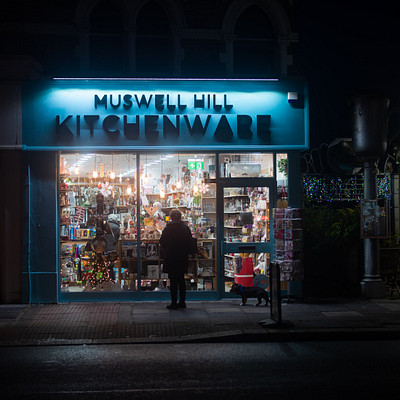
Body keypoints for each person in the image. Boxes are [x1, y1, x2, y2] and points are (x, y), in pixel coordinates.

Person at [160, 209, 194, 310]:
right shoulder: (185, 228)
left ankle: (174, 302)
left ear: (171, 217)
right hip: (182, 256)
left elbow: (162, 241)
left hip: (171, 256)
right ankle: (182, 302)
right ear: (180, 217)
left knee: (173, 280)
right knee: (181, 279)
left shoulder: (168, 228)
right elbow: (190, 241)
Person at [105, 214, 121, 280]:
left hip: (105, 247)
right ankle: (112, 278)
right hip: (113, 247)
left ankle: (106, 278)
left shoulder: (105, 226)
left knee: (106, 263)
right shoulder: (117, 227)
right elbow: (117, 238)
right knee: (112, 263)